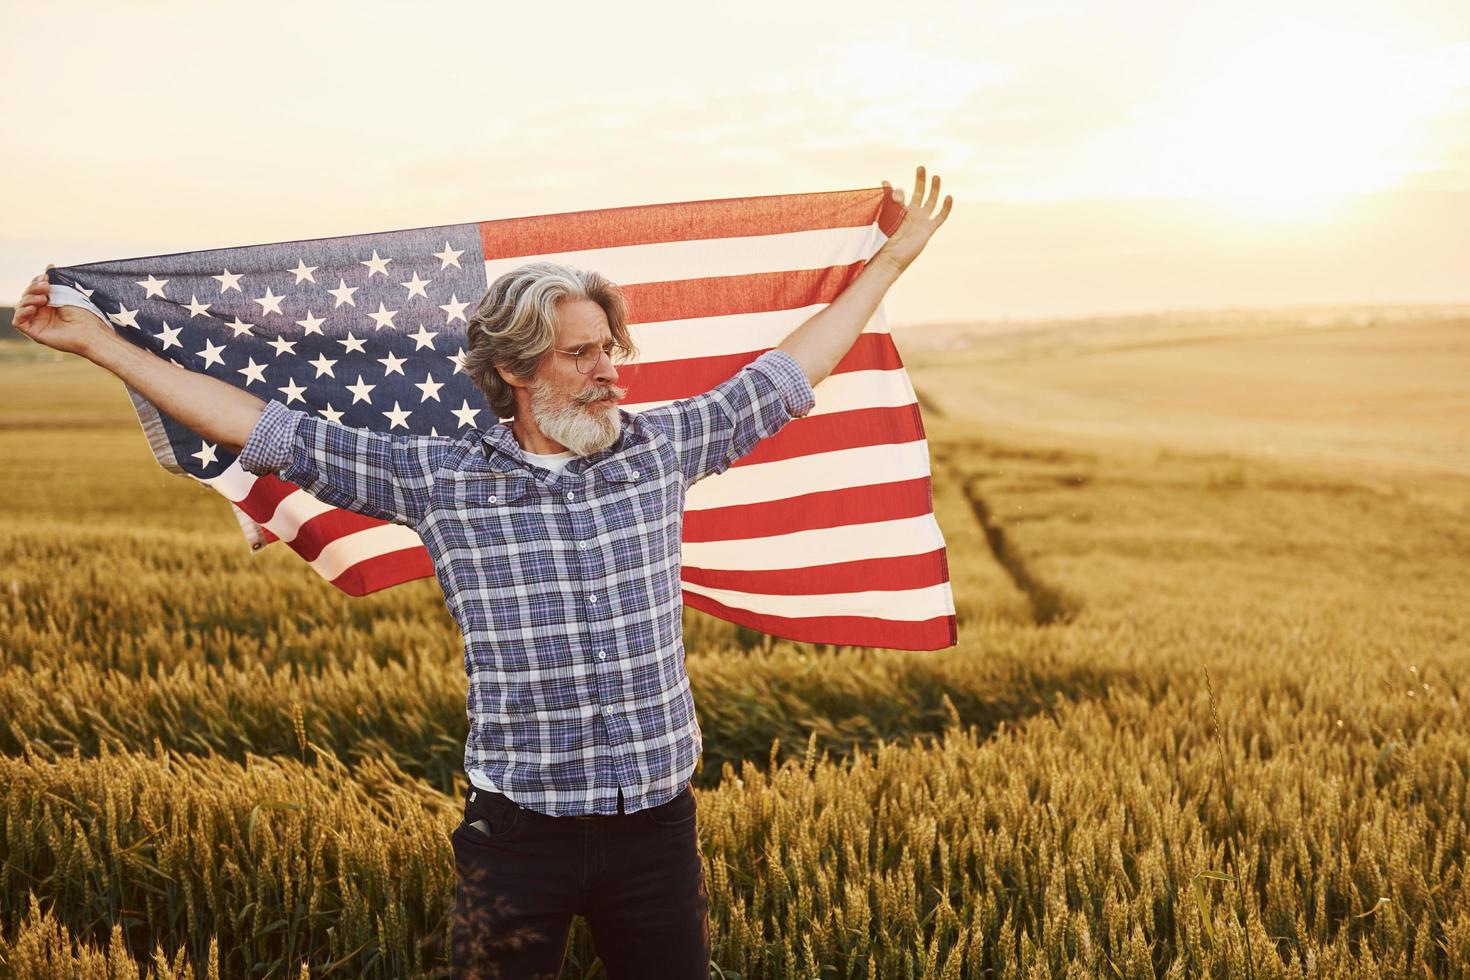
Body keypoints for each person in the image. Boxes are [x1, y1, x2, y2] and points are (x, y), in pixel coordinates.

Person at [12, 166, 952, 979]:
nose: (610, 371)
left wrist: (893, 262)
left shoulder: (662, 447)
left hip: (656, 836)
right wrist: (98, 344)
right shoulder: (440, 478)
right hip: (515, 843)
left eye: (609, 348)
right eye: (580, 354)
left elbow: (796, 368)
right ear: (514, 370)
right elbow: (255, 425)